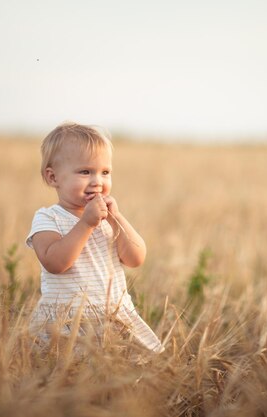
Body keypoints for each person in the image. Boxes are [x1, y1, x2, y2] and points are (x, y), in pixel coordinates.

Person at [26, 122, 164, 353]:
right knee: (70, 371)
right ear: (53, 178)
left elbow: (136, 258)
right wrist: (86, 224)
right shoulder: (48, 218)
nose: (97, 181)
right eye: (85, 172)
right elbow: (55, 263)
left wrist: (116, 218)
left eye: (105, 172)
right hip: (68, 322)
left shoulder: (109, 219)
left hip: (114, 316)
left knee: (134, 372)